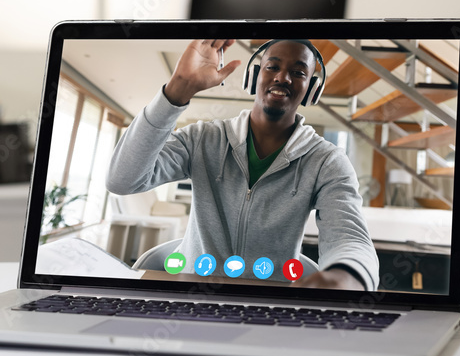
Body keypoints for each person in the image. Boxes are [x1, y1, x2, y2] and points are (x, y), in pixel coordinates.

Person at [106, 39, 378, 291]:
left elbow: (348, 235)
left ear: (312, 88)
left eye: (298, 72)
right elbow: (122, 179)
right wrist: (177, 90)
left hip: (270, 302)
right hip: (190, 293)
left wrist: (346, 276)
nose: (282, 77)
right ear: (254, 76)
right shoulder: (202, 138)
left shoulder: (327, 161)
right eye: (272, 67)